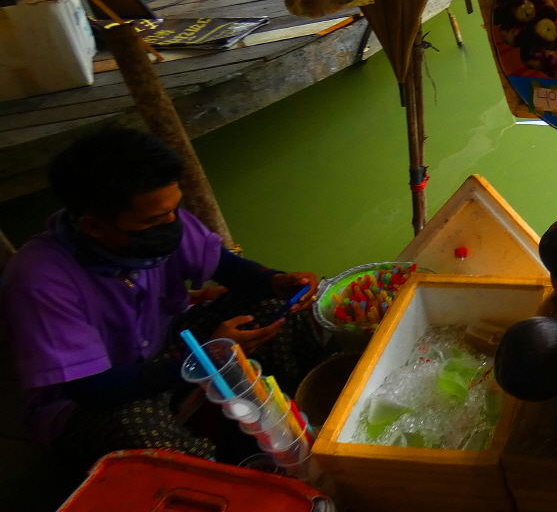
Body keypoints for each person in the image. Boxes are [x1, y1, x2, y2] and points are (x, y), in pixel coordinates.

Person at [1, 128, 321, 466]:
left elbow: (228, 268)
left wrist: (275, 281)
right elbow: (90, 389)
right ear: (94, 226)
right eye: (155, 219)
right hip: (92, 398)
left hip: (169, 350)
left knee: (273, 308)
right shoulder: (39, 280)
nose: (173, 223)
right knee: (135, 425)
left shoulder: (162, 218)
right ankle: (230, 476)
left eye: (174, 209)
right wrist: (203, 361)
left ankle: (303, 409)